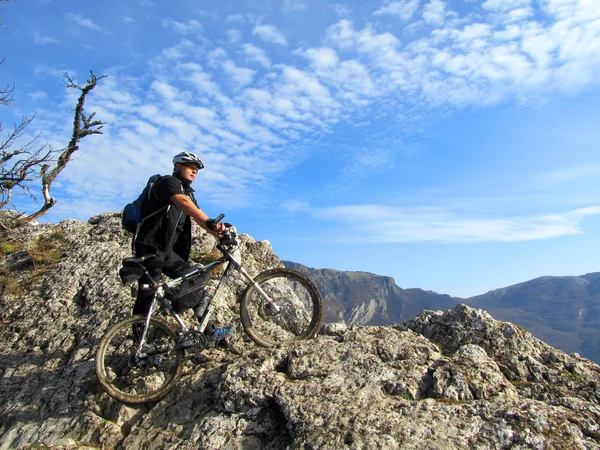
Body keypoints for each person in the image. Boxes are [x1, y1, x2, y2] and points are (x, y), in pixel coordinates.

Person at [132, 151, 232, 343]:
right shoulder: (168, 183)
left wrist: (218, 231)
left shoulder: (188, 193)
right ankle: (139, 346)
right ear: (177, 167)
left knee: (198, 276)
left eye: (196, 170)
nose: (194, 172)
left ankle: (209, 332)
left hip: (166, 253)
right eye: (190, 167)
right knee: (146, 297)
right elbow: (183, 203)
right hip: (149, 249)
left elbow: (198, 216)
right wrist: (211, 224)